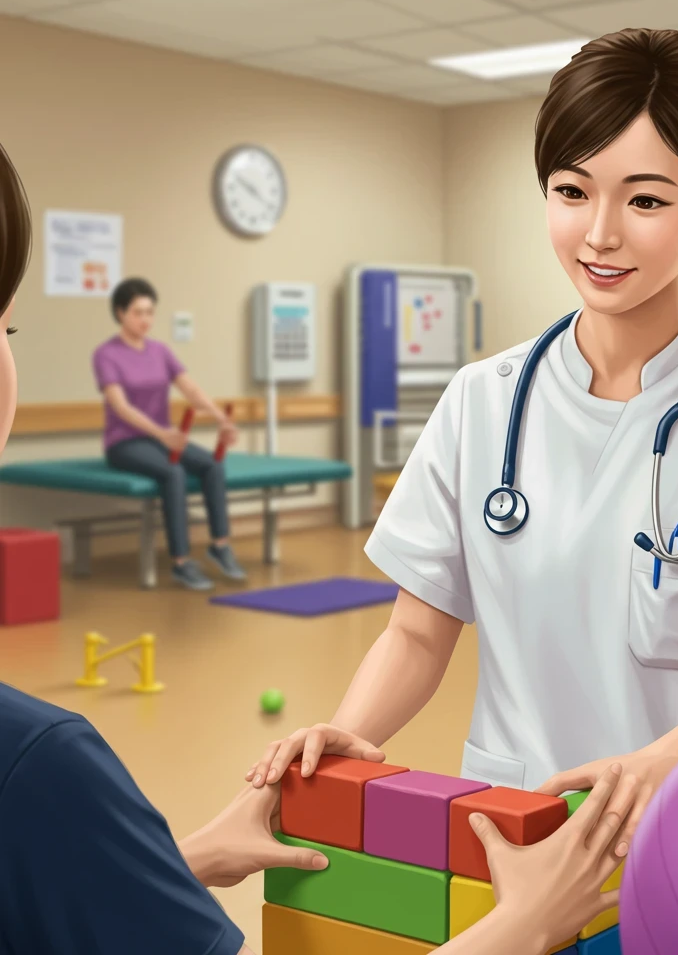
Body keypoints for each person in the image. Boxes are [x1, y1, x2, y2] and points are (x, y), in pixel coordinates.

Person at [0, 142, 643, 953]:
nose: (603, 231)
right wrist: (522, 927)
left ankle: (211, 548)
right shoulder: (33, 768)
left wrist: (171, 859)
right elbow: (418, 626)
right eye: (6, 321)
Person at [246, 29, 678, 826]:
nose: (600, 233)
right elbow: (416, 633)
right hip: (512, 822)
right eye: (572, 192)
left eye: (645, 200)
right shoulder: (482, 402)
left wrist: (652, 768)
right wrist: (351, 730)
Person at [93, 276, 246, 589]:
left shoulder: (160, 351)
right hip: (125, 442)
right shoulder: (106, 354)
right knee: (173, 473)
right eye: (138, 312)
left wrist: (221, 419)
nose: (145, 319)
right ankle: (181, 562)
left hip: (161, 438)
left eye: (150, 312)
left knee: (213, 465)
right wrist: (163, 434)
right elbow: (121, 407)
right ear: (121, 313)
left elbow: (190, 388)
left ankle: (220, 545)